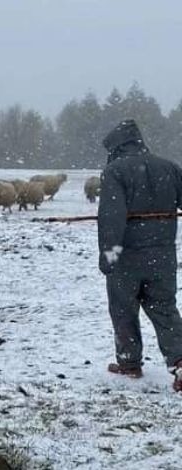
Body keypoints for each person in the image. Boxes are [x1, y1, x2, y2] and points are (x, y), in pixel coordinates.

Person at [98, 119, 182, 391]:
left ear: (116, 147)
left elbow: (112, 217)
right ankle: (180, 361)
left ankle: (129, 362)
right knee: (165, 308)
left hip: (127, 257)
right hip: (164, 255)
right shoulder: (169, 168)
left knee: (123, 309)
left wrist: (109, 254)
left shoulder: (115, 171)